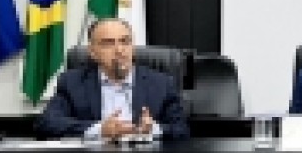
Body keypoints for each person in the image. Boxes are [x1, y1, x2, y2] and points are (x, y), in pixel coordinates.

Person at [33, 18, 190, 140]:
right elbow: (47, 123)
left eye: (125, 41)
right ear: (92, 52)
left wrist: (153, 129)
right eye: (108, 43)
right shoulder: (72, 82)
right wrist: (100, 129)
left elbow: (182, 130)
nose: (120, 50)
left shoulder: (162, 83)